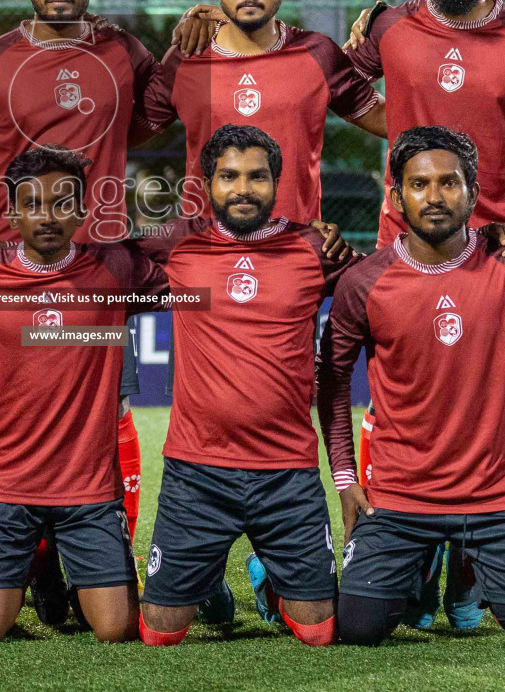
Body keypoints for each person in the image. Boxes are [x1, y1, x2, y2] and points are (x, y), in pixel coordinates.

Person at [342, 0, 505, 630]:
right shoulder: (388, 29)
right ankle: (405, 556)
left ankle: (468, 574)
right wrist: (403, 124)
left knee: (492, 401)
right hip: (399, 239)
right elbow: (343, 87)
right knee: (400, 395)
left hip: (500, 246)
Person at [0, 0, 153, 618]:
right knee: (16, 414)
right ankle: (32, 553)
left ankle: (99, 550)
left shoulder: (126, 53)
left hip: (98, 276)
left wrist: (200, 26)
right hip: (12, 275)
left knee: (107, 408)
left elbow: (166, 109)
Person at [321, 126, 505, 649]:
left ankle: (466, 571)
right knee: (358, 629)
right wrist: (344, 478)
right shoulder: (363, 282)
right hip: (400, 496)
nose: (434, 197)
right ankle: (423, 562)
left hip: (498, 498)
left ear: (474, 194)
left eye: (450, 184)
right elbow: (332, 382)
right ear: (396, 197)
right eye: (419, 184)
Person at [0, 146, 167, 643]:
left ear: (82, 211)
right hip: (3, 485)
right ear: (12, 212)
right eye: (33, 204)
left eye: (63, 203)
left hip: (88, 489)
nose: (48, 216)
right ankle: (38, 560)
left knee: (116, 630)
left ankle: (59, 554)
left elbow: (189, 250)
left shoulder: (117, 271)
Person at [135, 125, 354, 648]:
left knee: (319, 632)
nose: (243, 189)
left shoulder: (312, 248)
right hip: (197, 471)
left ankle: (267, 571)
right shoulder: (179, 247)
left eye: (257, 177)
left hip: (286, 473)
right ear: (206, 183)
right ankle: (205, 577)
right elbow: (88, 257)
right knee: (158, 635)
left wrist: (487, 239)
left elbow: (383, 280)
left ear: (277, 183)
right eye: (228, 176)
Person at [142, 0, 386, 222]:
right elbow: (123, 133)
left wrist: (389, 29)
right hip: (208, 252)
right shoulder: (188, 56)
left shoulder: (317, 54)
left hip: (292, 249)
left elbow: (389, 119)